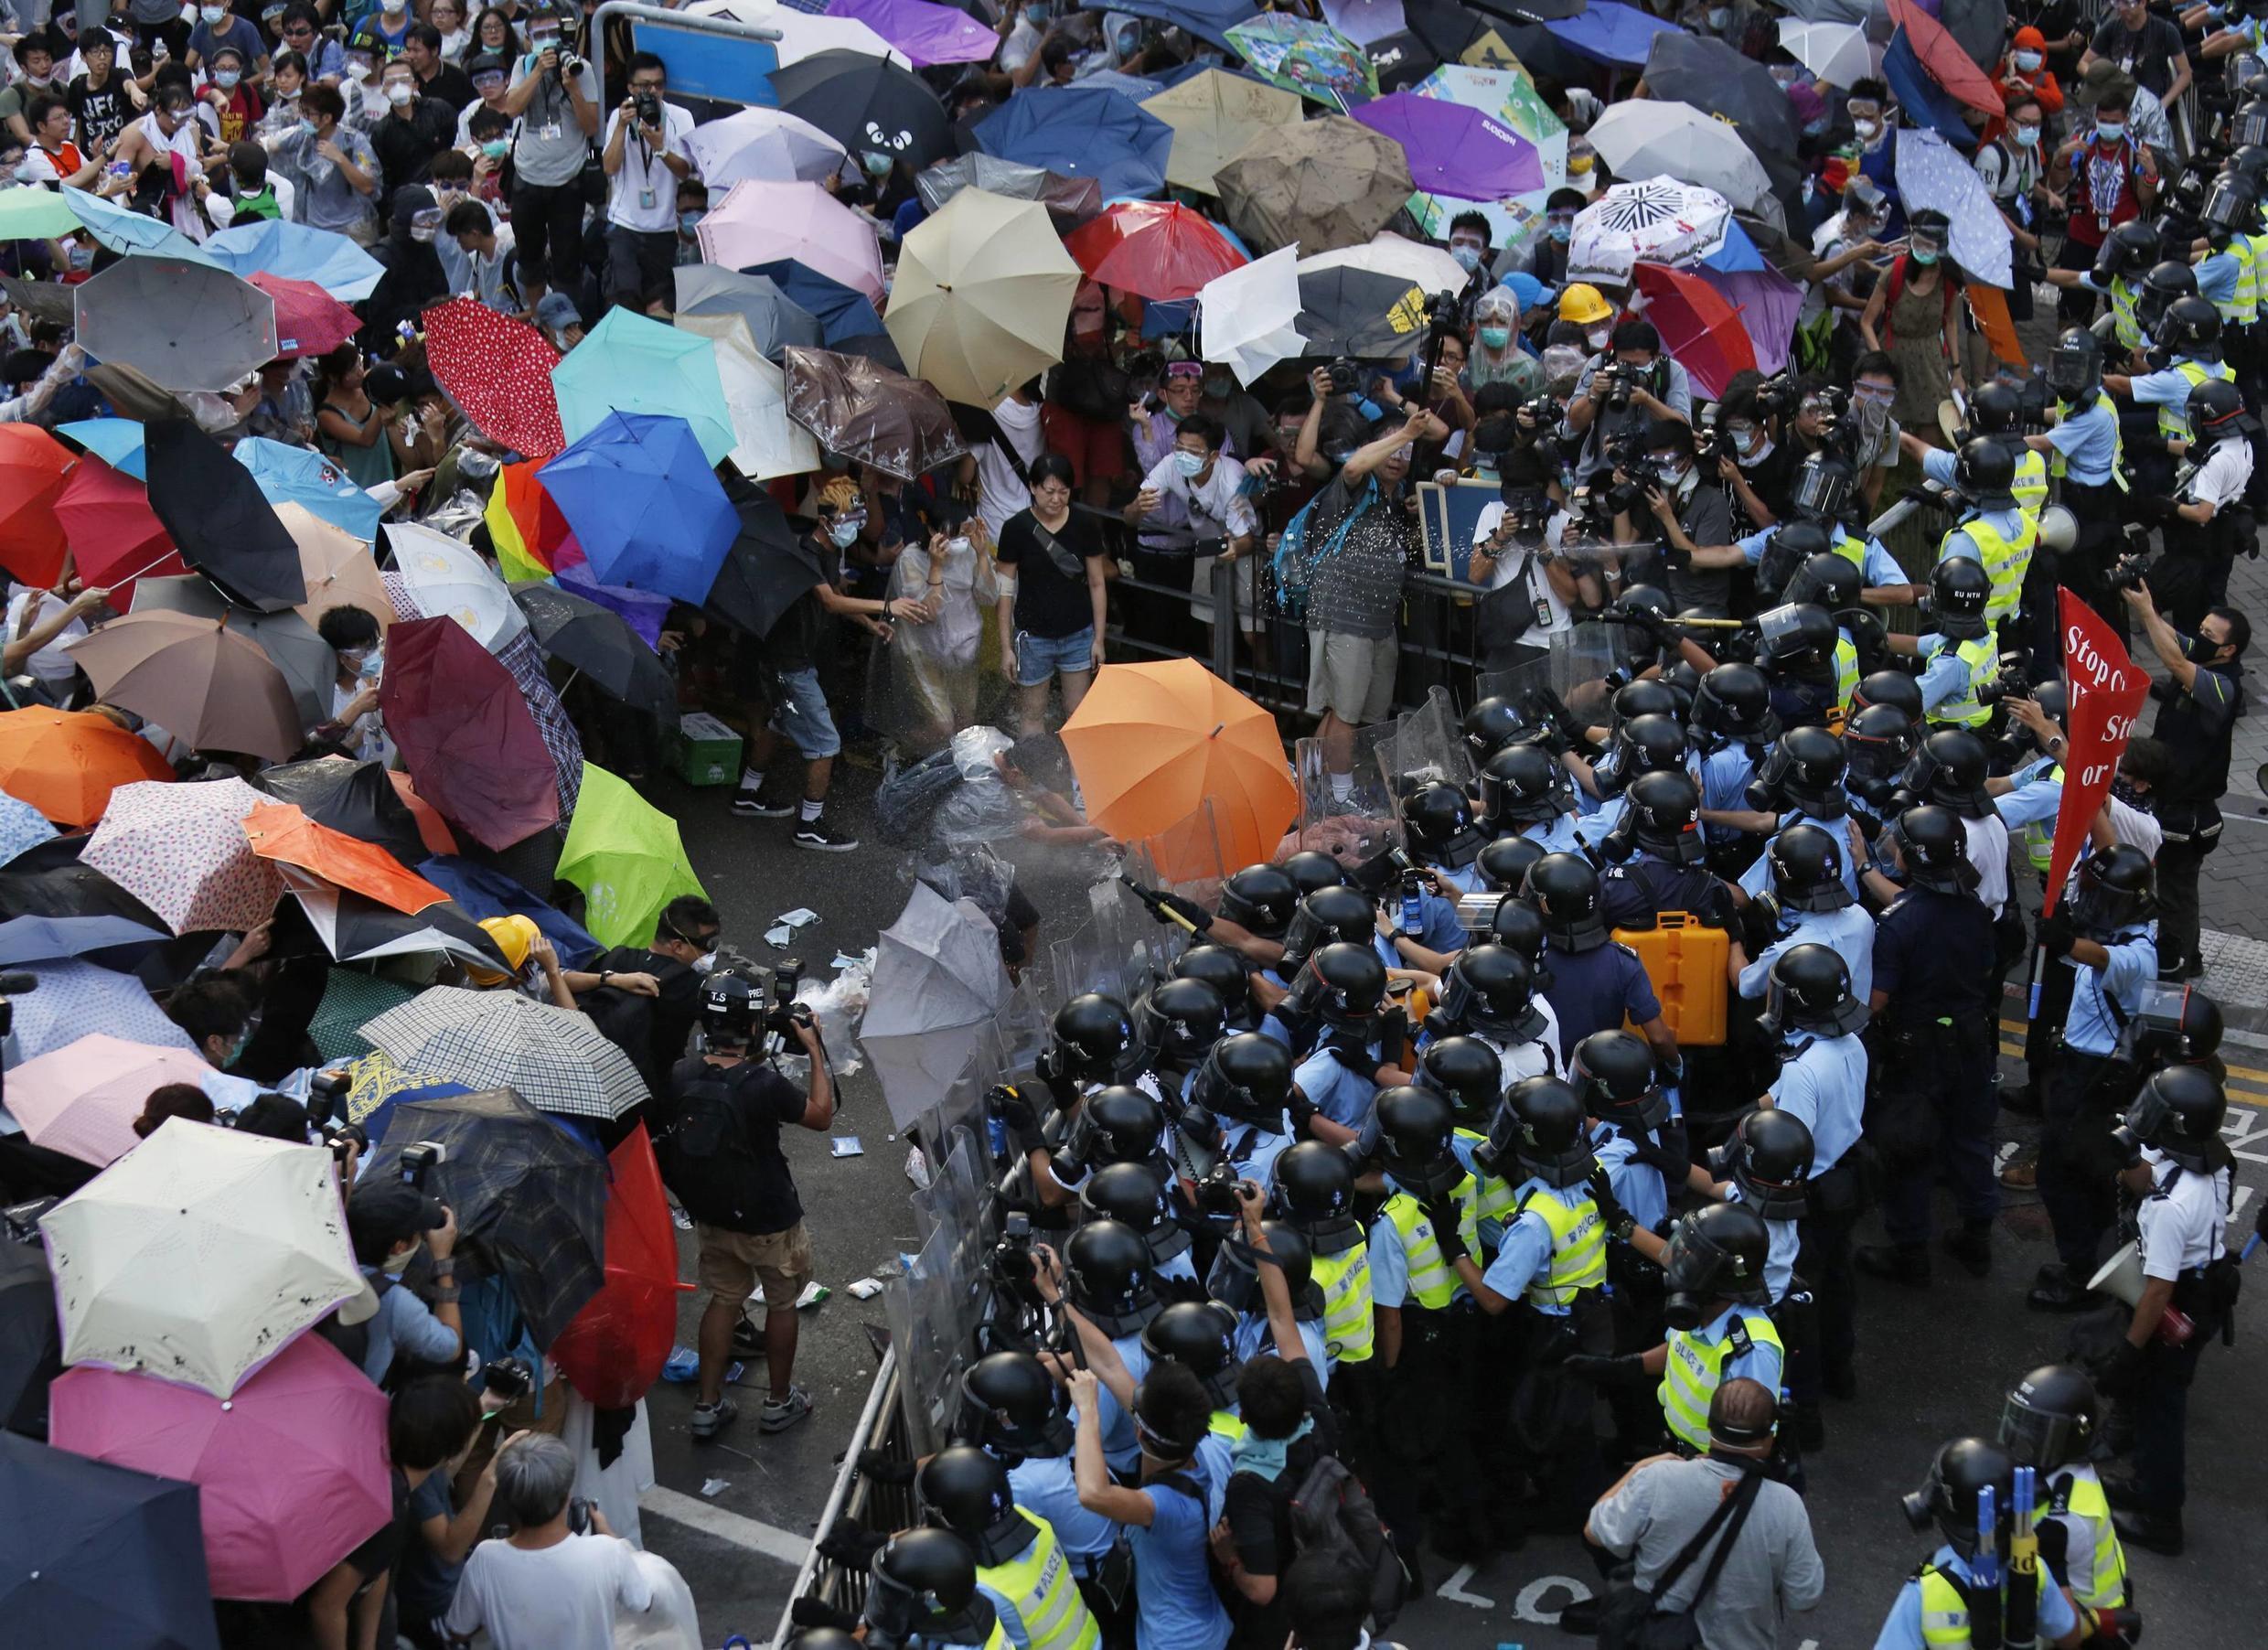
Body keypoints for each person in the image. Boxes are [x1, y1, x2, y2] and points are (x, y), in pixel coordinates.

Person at [653, 963, 829, 1441]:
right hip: (769, 1217)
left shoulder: (680, 1074)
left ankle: (707, 1405)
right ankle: (778, 1401)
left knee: (724, 1299)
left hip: (712, 1214)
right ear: (752, 1025)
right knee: (782, 1303)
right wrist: (814, 1048)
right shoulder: (763, 1083)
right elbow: (820, 1116)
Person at [732, 488, 930, 850]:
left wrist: (869, 624)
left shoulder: (826, 552)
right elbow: (829, 600)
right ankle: (809, 825)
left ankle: (747, 793)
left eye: (859, 519)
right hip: (788, 663)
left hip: (793, 660)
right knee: (826, 743)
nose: (855, 527)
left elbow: (836, 597)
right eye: (848, 520)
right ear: (824, 521)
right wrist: (887, 607)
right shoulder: (806, 553)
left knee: (779, 723)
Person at [1858, 807, 2001, 1286]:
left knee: (1910, 1146)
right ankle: (1977, 1236)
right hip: (1971, 1039)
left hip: (1917, 1050)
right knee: (1971, 1139)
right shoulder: (1975, 909)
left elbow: (1877, 1000)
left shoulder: (1898, 924)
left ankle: (1910, 1251)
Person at [1585, 1379, 1824, 1649]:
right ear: (1769, 1436)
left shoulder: (1657, 1479)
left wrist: (1638, 1469)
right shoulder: (1787, 1506)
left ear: (1710, 1425)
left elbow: (1595, 1531)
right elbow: (1805, 1598)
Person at [2027, 844, 2158, 1310]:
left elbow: (2102, 959)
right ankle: (2094, 1263)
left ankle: (2083, 1276)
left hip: (2093, 1077)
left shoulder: (2137, 953)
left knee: (2062, 1177)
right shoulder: (2118, 926)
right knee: (2089, 1174)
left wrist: (2064, 942)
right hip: (2080, 1068)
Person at [1294, 405, 1445, 808]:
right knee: (1345, 712)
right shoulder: (1357, 484)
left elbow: (1441, 430)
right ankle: (1341, 797)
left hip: (1380, 621)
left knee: (1355, 713)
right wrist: (1405, 433)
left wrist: (1411, 428)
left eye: (1406, 450)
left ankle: (1308, 786)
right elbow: (1354, 464)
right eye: (1390, 446)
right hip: (1343, 615)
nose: (1398, 456)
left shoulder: (1399, 499)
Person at [1067, 1359, 1234, 1650]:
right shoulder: (1193, 1450)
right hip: (1202, 1623)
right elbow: (1111, 1367)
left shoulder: (1166, 1505)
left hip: (1178, 1642)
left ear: (1139, 1433)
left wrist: (1088, 1411)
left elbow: (1092, 1493)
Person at [2125, 585, 2246, 982]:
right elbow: (2176, 640)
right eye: (2203, 629)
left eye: (2210, 634)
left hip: (2187, 812)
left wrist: (2146, 613)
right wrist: (2145, 600)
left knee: (2176, 891)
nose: (2200, 637)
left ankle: (2177, 962)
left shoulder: (2223, 686)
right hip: (2171, 799)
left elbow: (2175, 662)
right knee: (2175, 887)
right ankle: (2185, 955)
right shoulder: (2205, 653)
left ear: (2229, 650)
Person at [442, 1432, 655, 1650]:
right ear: (566, 1495)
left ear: (507, 1499)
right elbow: (643, 1602)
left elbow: (458, 1630)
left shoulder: (485, 1558)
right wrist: (613, 1537)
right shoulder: (608, 1551)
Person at [995, 451, 1110, 736]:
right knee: (1032, 713)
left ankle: (1075, 766)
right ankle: (1034, 764)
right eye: (1049, 491)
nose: (1056, 499)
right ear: (1033, 487)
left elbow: (1097, 583)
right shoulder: (1015, 529)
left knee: (1077, 712)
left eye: (1064, 491)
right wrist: (1006, 648)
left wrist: (1098, 639)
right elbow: (1005, 593)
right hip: (1032, 637)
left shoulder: (1084, 525)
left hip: (1078, 633)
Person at [502, 9, 598, 307]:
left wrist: (573, 89)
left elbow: (591, 127)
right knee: (529, 256)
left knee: (567, 258)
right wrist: (537, 73)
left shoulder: (581, 68)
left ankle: (565, 322)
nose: (548, 41)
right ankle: (538, 318)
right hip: (528, 175)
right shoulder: (523, 65)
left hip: (568, 177)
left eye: (553, 33)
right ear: (528, 40)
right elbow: (511, 109)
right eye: (540, 35)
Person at [344, 1177, 464, 1387]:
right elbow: (449, 1348)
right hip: (361, 1397)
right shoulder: (392, 1300)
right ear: (399, 1247)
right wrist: (442, 1261)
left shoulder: (316, 1264)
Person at [599, 51, 692, 312]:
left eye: (658, 86)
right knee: (624, 297)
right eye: (644, 86)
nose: (652, 92)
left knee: (659, 305)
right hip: (625, 224)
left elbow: (685, 171)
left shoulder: (680, 117)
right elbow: (609, 168)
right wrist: (621, 127)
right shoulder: (619, 116)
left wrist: (660, 148)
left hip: (664, 227)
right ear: (630, 88)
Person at [266, 82, 381, 243]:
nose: (302, 118)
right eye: (301, 111)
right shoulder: (304, 135)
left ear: (327, 118)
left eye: (308, 114)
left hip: (351, 227)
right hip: (313, 226)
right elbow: (271, 145)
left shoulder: (353, 141)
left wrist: (340, 158)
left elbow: (368, 186)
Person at [370, 57, 457, 212]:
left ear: (415, 84)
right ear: (383, 89)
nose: (398, 86)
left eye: (404, 80)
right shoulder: (381, 131)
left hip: (448, 192)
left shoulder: (439, 110)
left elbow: (458, 145)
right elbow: (384, 179)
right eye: (391, 82)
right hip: (410, 202)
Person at [2082, 0, 2191, 106]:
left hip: (2149, 104)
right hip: (2116, 105)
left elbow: (2185, 74)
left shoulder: (2164, 30)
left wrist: (2162, 104)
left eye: (2128, 3)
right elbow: (2083, 63)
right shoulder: (2111, 28)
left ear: (2143, 3)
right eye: (2118, 2)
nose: (2122, 8)